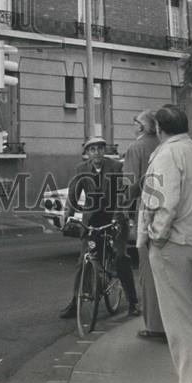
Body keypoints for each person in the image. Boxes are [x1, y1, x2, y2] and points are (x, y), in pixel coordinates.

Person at [141, 105, 192, 383]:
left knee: (183, 330)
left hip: (174, 246)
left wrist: (156, 236)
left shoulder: (165, 154)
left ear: (160, 130)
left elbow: (161, 201)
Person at [59, 135, 139, 319]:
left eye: (100, 149)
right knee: (84, 260)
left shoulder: (116, 167)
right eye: (92, 149)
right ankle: (75, 302)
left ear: (105, 151)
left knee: (120, 257)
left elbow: (123, 193)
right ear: (86, 153)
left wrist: (121, 213)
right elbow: (73, 195)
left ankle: (133, 302)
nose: (97, 153)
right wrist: (67, 215)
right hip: (93, 220)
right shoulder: (81, 169)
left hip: (115, 218)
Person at [122, 109, 166, 341]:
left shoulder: (135, 148)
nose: (133, 124)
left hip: (146, 213)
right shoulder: (161, 145)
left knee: (147, 272)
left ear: (141, 127)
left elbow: (128, 186)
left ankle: (154, 326)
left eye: (135, 121)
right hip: (168, 216)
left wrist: (119, 206)